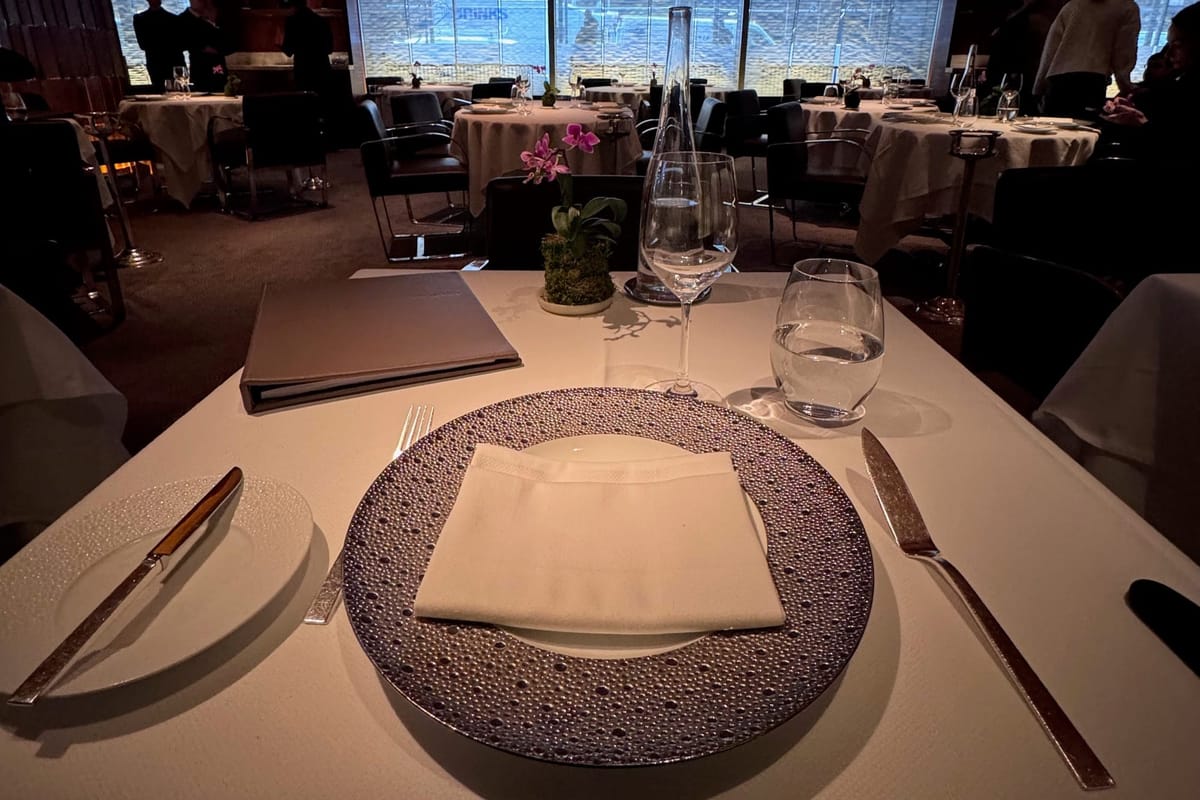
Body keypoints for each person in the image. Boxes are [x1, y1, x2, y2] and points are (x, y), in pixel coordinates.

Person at [1098, 2, 1200, 161]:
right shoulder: (1183, 85)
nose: (1168, 55)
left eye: (1177, 45)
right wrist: (1133, 113)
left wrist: (1141, 122)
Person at [1033, 0, 1140, 118]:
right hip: (1091, 80)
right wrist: (1126, 86)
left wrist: (1038, 88)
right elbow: (1124, 50)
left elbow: (1050, 50)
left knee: (1051, 127)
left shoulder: (1073, 5)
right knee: (1084, 127)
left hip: (1057, 81)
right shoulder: (1126, 7)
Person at [177, 0, 231, 93]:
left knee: (220, 91)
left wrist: (212, 22)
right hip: (200, 69)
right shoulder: (182, 19)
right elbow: (184, 43)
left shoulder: (212, 17)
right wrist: (203, 47)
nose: (203, 2)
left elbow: (226, 43)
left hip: (218, 67)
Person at [281, 0, 333, 95]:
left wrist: (279, 44)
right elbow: (330, 49)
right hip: (322, 70)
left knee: (306, 101)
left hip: (303, 71)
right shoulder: (322, 21)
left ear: (293, 6)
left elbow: (288, 51)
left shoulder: (292, 22)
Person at [133, 0, 184, 90]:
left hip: (170, 61)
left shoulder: (174, 18)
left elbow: (181, 43)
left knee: (179, 90)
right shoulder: (140, 19)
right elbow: (143, 44)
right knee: (161, 90)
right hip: (158, 62)